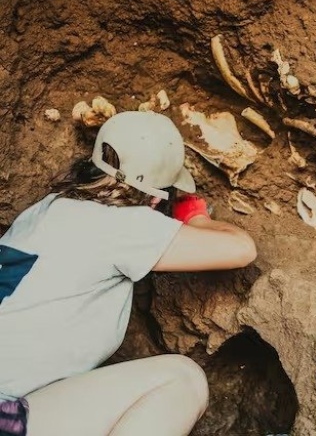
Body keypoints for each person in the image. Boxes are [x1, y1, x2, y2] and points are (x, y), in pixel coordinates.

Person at [0, 111, 257, 436]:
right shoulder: (119, 226)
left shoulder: (46, 209)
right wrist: (195, 218)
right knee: (183, 380)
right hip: (6, 413)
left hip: (16, 409)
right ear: (154, 196)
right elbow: (241, 248)